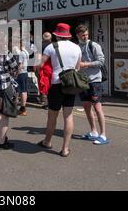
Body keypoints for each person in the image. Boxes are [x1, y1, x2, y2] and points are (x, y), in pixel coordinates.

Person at [37, 23, 81, 157]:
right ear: (68, 35)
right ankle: (65, 149)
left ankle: (47, 142)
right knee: (68, 116)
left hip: (56, 83)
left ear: (56, 34)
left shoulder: (51, 46)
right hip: (70, 84)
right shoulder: (77, 47)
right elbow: (78, 68)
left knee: (52, 116)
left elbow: (40, 64)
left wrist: (40, 74)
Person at [76, 25, 109, 145]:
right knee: (86, 106)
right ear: (78, 35)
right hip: (83, 81)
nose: (85, 37)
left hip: (95, 80)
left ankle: (103, 135)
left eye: (86, 34)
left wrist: (85, 64)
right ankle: (94, 131)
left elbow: (101, 61)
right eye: (82, 35)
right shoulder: (77, 47)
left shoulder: (94, 45)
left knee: (97, 107)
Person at [38, 32, 53, 109]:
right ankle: (51, 102)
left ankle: (45, 102)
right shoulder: (54, 45)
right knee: (51, 85)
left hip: (43, 67)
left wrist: (36, 68)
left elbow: (38, 58)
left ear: (43, 37)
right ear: (51, 38)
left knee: (44, 85)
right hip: (53, 67)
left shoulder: (40, 45)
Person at [16, 42, 29, 116]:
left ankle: (22, 108)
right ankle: (23, 108)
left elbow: (20, 65)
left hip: (21, 73)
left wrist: (16, 73)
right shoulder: (26, 52)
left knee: (20, 90)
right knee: (24, 91)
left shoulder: (21, 53)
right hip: (25, 72)